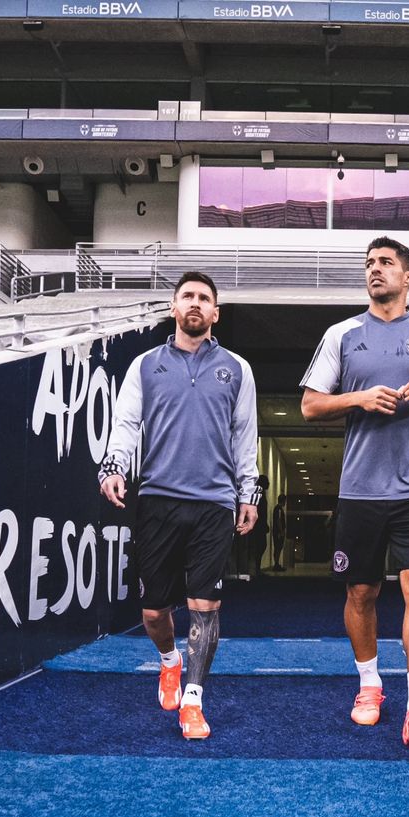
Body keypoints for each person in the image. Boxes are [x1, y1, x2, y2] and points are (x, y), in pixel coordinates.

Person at [300, 236, 409, 746]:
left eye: (386, 263)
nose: (375, 269)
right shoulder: (342, 334)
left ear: (407, 277)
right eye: (370, 263)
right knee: (361, 592)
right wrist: (360, 398)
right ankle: (370, 685)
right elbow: (310, 405)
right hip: (361, 490)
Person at [99, 271, 260, 740]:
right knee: (154, 612)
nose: (195, 303)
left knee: (205, 604)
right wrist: (113, 466)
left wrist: (247, 492)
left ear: (215, 313)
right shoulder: (145, 365)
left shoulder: (237, 369)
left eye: (204, 298)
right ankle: (169, 661)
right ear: (173, 308)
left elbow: (244, 435)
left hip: (214, 502)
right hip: (158, 499)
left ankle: (193, 700)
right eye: (187, 296)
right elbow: (126, 423)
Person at [253, 474, 270, 574]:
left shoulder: (261, 494)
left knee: (261, 546)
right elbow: (260, 511)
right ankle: (256, 569)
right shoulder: (259, 495)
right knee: (260, 546)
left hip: (260, 525)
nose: (269, 484)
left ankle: (257, 569)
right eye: (267, 482)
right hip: (258, 525)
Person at [271, 493, 287, 571]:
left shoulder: (278, 509)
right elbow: (278, 520)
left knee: (277, 547)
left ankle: (276, 564)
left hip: (277, 532)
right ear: (283, 501)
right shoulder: (278, 509)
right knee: (278, 547)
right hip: (278, 532)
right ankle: (276, 564)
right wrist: (281, 531)